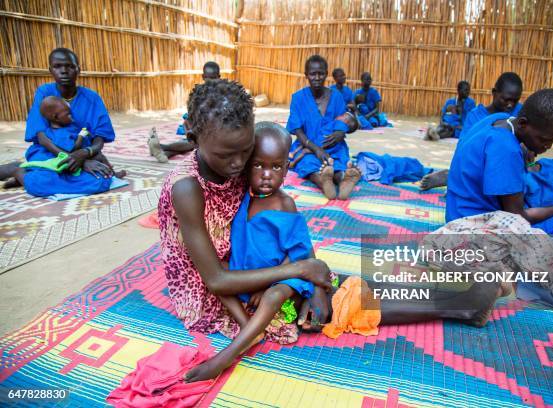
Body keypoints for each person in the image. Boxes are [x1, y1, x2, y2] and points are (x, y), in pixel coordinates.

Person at [160, 79, 508, 384]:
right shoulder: (187, 188)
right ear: (193, 138)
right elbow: (216, 281)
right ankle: (464, 302)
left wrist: (311, 280)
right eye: (227, 156)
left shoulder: (234, 158)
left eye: (245, 151)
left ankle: (463, 299)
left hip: (253, 258)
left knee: (333, 286)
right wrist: (301, 272)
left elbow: (282, 230)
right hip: (220, 290)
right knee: (341, 301)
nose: (238, 165)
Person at [185, 122, 319, 381]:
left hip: (282, 278)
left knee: (274, 295)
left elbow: (301, 253)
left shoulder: (284, 204)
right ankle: (248, 326)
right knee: (212, 272)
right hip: (246, 275)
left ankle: (227, 355)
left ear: (286, 168)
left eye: (276, 167)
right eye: (259, 165)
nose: (267, 174)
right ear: (246, 165)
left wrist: (269, 284)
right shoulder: (242, 199)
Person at [445, 89, 553, 230]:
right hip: (468, 224)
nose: (548, 146)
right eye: (544, 139)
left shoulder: (500, 118)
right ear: (523, 124)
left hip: (457, 208)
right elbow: (518, 217)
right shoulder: (507, 149)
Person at [0, 48, 119, 196]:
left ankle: (30, 172)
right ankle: (18, 171)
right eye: (57, 66)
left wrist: (83, 155)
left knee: (102, 181)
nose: (64, 71)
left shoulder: (92, 97)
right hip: (49, 152)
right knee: (40, 184)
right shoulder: (44, 93)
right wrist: (74, 161)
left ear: (78, 70)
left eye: (70, 66)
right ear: (50, 70)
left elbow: (99, 138)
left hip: (83, 153)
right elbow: (42, 138)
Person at [420, 72, 523, 191]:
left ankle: (453, 177)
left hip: (507, 164)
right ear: (494, 93)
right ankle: (455, 176)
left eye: (515, 101)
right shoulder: (476, 116)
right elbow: (464, 150)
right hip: (482, 164)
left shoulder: (519, 113)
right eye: (506, 99)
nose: (510, 105)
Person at [286, 55, 361, 200]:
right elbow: (297, 130)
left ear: (326, 74)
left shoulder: (337, 96)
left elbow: (343, 120)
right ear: (306, 75)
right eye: (313, 74)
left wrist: (340, 132)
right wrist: (316, 149)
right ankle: (323, 181)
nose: (317, 77)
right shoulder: (298, 98)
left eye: (320, 73)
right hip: (307, 145)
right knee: (307, 163)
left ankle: (342, 179)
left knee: (339, 161)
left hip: (333, 145)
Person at [148, 61, 221, 162]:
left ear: (219, 77)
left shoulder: (223, 93)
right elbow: (190, 116)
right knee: (194, 142)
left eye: (213, 78)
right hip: (200, 129)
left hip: (216, 131)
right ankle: (161, 149)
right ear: (203, 77)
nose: (210, 82)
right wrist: (190, 128)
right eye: (208, 78)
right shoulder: (198, 93)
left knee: (196, 144)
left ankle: (161, 149)